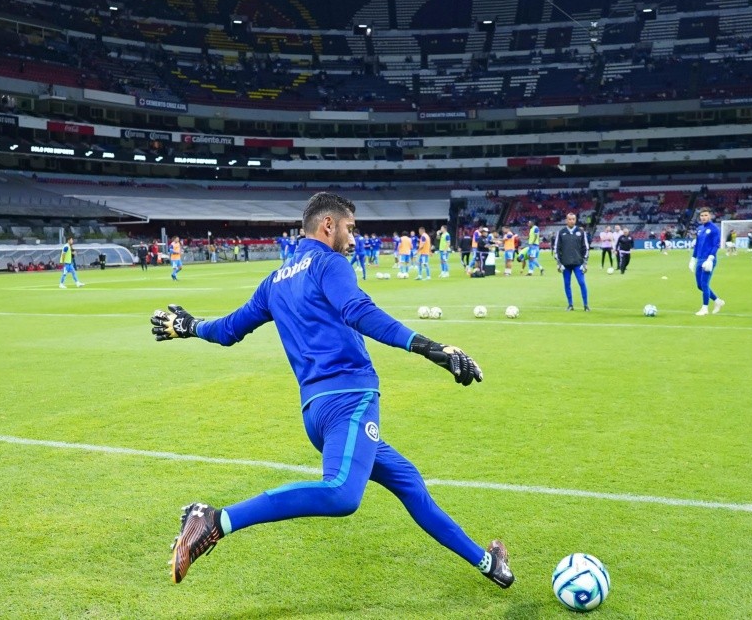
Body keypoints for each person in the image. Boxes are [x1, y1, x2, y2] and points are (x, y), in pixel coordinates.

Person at [150, 192, 513, 589]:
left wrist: (189, 325)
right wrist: (433, 348)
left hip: (316, 414)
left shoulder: (275, 281)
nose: (354, 239)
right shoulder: (329, 263)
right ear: (328, 225)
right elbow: (358, 310)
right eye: (350, 229)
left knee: (410, 483)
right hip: (350, 402)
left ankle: (488, 562)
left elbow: (227, 330)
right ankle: (216, 520)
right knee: (342, 494)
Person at [689, 208, 724, 316]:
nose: (703, 217)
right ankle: (718, 301)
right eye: (702, 215)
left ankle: (704, 308)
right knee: (699, 286)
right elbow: (697, 245)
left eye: (705, 215)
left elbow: (716, 244)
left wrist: (711, 258)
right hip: (699, 259)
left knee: (704, 284)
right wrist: (693, 259)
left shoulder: (714, 229)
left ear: (710, 216)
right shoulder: (700, 229)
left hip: (708, 260)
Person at [553, 213, 589, 311]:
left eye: (573, 219)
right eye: (569, 219)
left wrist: (585, 263)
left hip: (578, 263)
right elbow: (556, 248)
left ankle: (586, 305)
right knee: (567, 284)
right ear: (566, 220)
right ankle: (570, 305)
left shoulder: (581, 232)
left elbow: (585, 248)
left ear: (575, 220)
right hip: (565, 264)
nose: (571, 221)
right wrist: (559, 263)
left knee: (582, 283)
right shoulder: (561, 232)